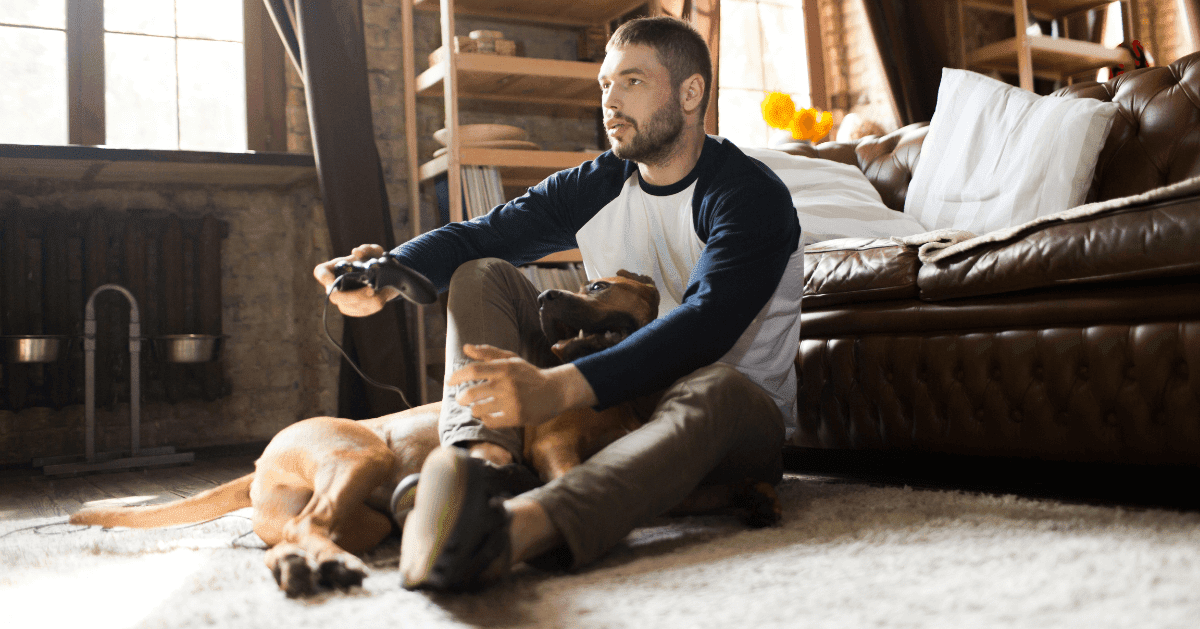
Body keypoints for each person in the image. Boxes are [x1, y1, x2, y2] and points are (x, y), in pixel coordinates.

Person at [314, 16, 803, 591]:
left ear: (691, 93)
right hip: (623, 406)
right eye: (604, 85)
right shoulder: (598, 182)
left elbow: (706, 325)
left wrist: (560, 386)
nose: (611, 101)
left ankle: (509, 533)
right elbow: (481, 236)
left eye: (633, 82)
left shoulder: (748, 195)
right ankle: (482, 467)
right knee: (483, 273)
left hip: (732, 419)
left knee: (716, 385)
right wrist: (389, 271)